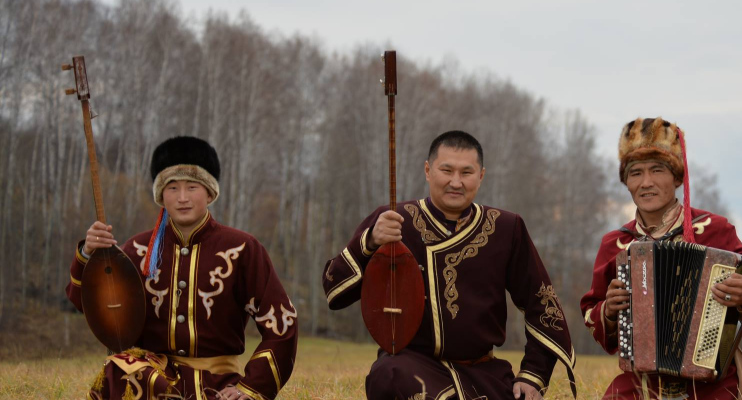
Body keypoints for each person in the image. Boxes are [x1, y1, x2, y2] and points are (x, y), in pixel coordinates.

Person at [322, 130, 577, 400]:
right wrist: (369, 241)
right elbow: (333, 290)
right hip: (411, 369)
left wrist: (533, 375)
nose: (456, 182)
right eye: (447, 170)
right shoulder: (394, 219)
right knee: (388, 374)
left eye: (466, 173)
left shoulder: (506, 227)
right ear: (428, 170)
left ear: (481, 176)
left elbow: (542, 302)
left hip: (484, 372)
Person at [67, 136, 298, 400]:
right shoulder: (138, 250)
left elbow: (282, 323)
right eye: (173, 188)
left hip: (219, 385)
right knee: (120, 370)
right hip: (153, 383)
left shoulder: (242, 249)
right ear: (161, 195)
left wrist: (251, 387)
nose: (182, 198)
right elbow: (88, 304)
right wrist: (88, 253)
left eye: (192, 187)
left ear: (210, 193)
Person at [580, 117, 742, 400]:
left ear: (677, 177)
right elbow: (591, 310)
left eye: (657, 170)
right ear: (626, 182)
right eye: (635, 173)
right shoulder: (616, 244)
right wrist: (608, 311)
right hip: (642, 379)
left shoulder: (714, 229)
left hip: (710, 378)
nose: (646, 183)